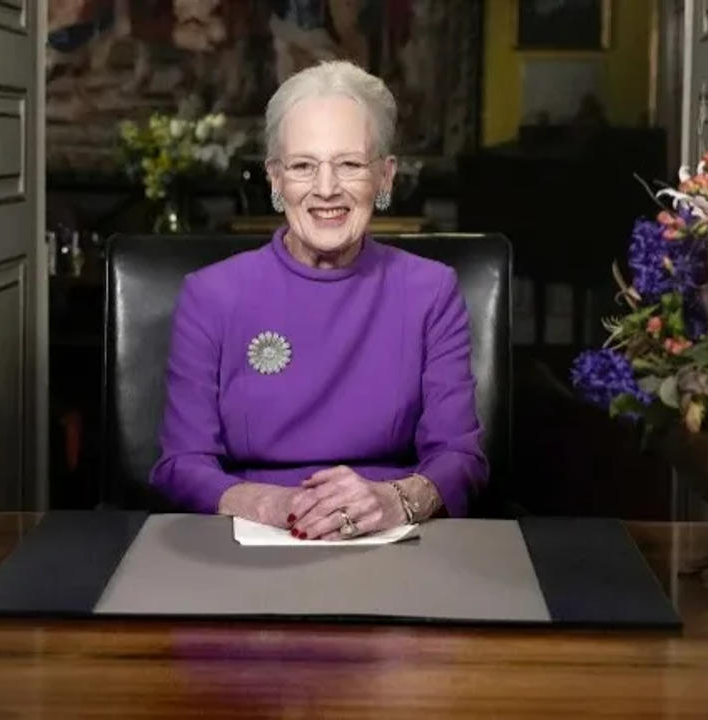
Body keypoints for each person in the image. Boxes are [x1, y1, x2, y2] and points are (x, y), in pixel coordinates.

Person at [150, 60, 487, 540]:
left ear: (386, 177)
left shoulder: (431, 291)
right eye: (303, 166)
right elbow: (181, 464)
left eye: (349, 164)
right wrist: (276, 505)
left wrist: (395, 500)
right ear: (274, 179)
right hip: (249, 541)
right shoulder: (211, 294)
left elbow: (461, 458)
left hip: (391, 542)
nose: (326, 189)